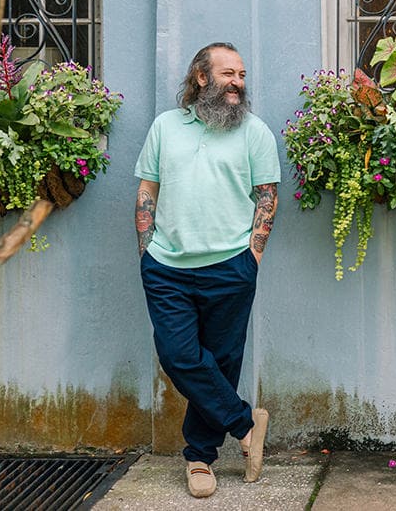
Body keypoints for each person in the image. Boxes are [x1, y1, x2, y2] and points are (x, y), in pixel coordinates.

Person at [133, 42, 281, 498]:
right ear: (201, 78)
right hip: (166, 267)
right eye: (228, 73)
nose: (237, 82)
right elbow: (147, 190)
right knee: (178, 356)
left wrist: (251, 258)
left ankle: (200, 457)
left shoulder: (254, 132)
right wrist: (146, 252)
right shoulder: (165, 127)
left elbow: (267, 196)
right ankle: (244, 424)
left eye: (241, 74)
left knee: (221, 362)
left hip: (231, 266)